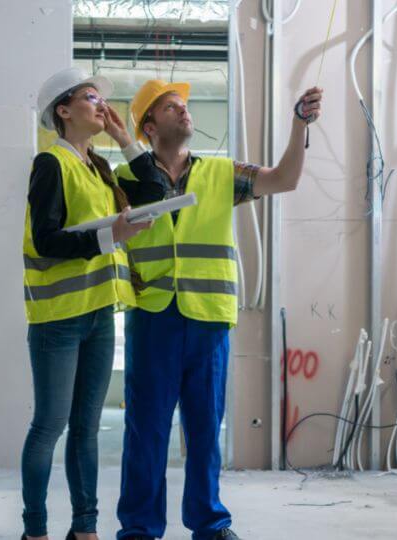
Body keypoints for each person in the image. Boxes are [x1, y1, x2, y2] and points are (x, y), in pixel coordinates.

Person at [113, 79, 323, 540]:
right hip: (152, 316)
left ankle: (209, 523)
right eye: (172, 107)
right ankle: (139, 527)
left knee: (205, 429)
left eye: (184, 105)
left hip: (208, 318)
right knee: (145, 430)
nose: (184, 110)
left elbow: (284, 178)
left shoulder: (222, 174)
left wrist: (298, 124)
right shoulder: (124, 179)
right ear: (149, 126)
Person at [21, 67, 159, 540]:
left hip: (100, 315)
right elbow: (45, 240)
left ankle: (85, 529)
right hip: (58, 320)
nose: (101, 105)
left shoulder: (99, 168)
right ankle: (34, 530)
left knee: (86, 428)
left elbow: (156, 188)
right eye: (90, 96)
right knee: (50, 426)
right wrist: (110, 236)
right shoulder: (51, 163)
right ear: (63, 109)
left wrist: (124, 138)